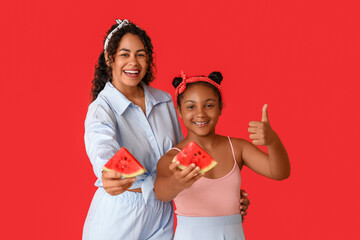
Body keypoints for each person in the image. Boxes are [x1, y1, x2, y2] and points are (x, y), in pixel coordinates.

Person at [83, 20, 250, 240]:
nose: (133, 62)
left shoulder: (163, 101)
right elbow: (102, 148)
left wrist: (222, 193)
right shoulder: (101, 109)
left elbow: (184, 158)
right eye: (124, 54)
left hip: (164, 215)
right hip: (119, 216)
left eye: (140, 54)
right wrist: (109, 173)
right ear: (109, 58)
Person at [154, 71, 291, 240]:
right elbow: (160, 193)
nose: (200, 113)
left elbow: (279, 172)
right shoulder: (172, 158)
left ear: (220, 107)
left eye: (209, 105)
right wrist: (177, 181)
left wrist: (273, 142)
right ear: (179, 111)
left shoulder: (238, 148)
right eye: (191, 106)